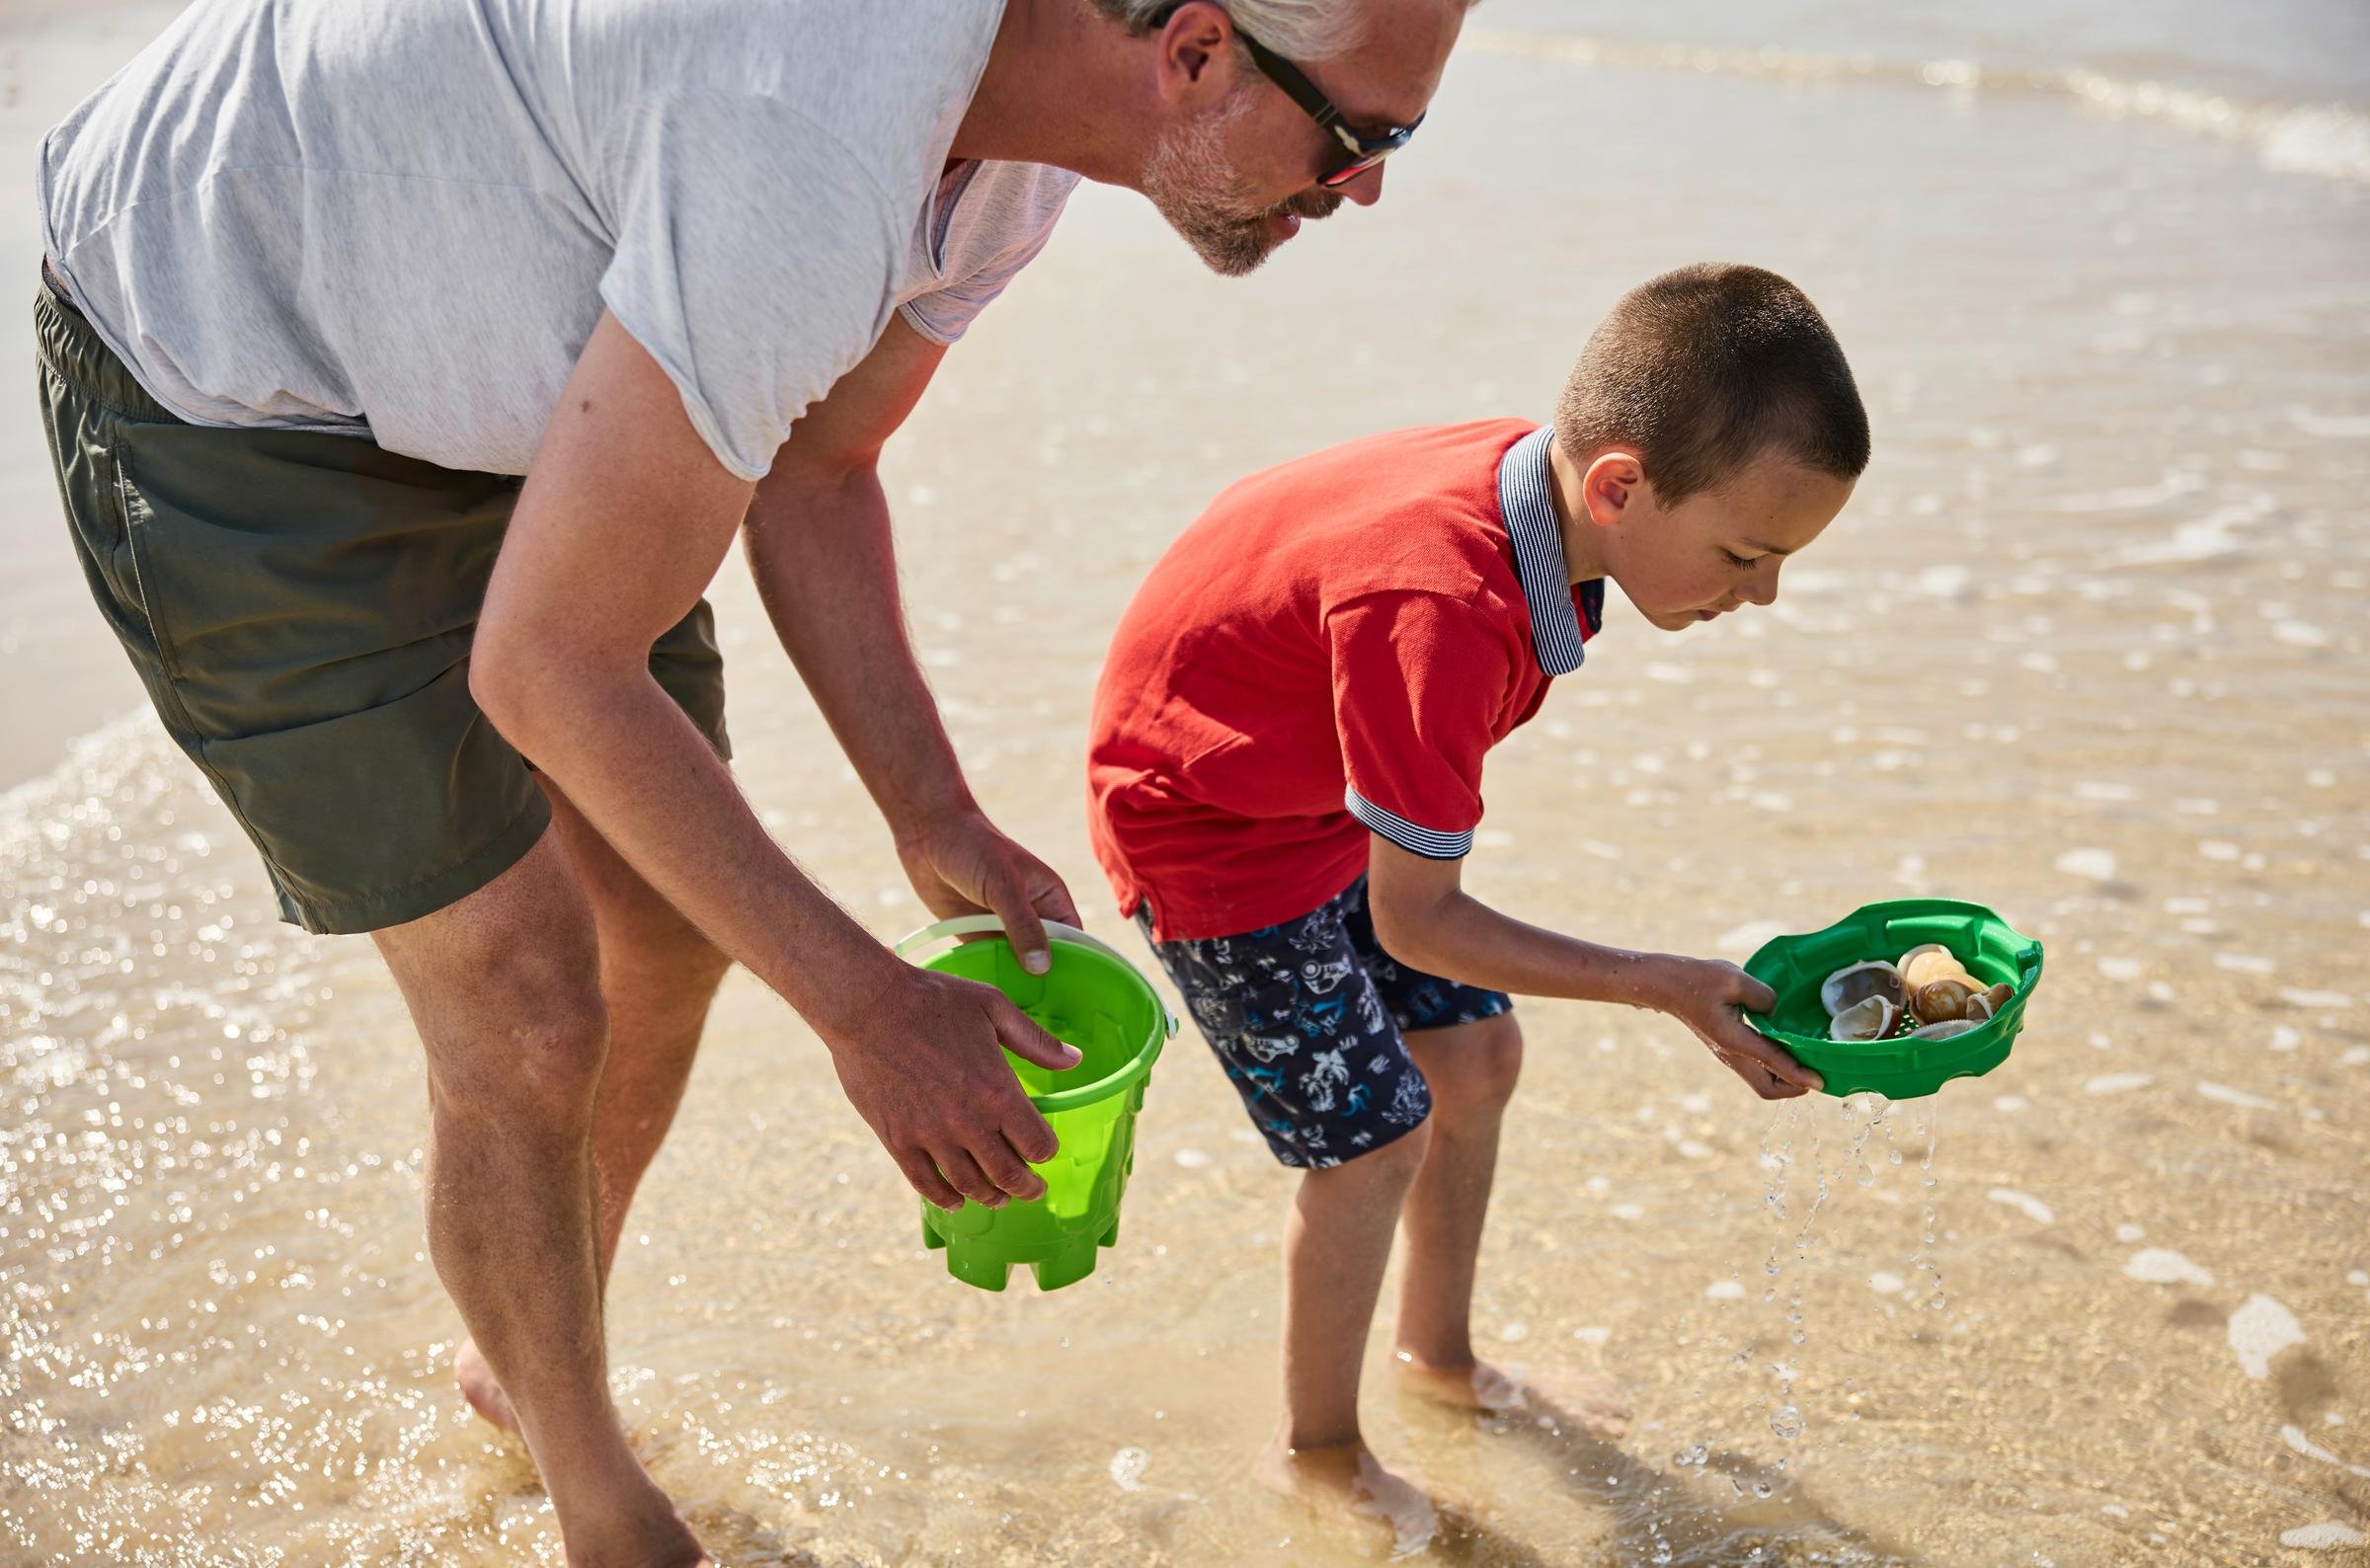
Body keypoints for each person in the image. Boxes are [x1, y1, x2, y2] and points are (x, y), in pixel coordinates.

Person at [35, 1, 1472, 1560]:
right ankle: (604, 1513)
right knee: (526, 1008)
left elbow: (818, 464)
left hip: (488, 348)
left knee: (663, 927)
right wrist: (866, 1012)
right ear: (1195, 48)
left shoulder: (1018, 153)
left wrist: (929, 811)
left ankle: (517, 1371)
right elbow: (551, 669)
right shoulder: (808, 144)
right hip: (230, 359)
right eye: (1364, 134)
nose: (1372, 186)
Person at [1085, 263, 1870, 1537]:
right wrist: (1662, 983)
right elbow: (1419, 919)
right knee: (1377, 1140)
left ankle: (1438, 1365)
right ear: (1618, 485)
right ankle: (1319, 1450)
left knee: (1476, 1050)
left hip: (1309, 782)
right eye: (1745, 553)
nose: (1764, 593)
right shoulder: (1442, 609)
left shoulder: (1537, 500)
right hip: (1206, 825)